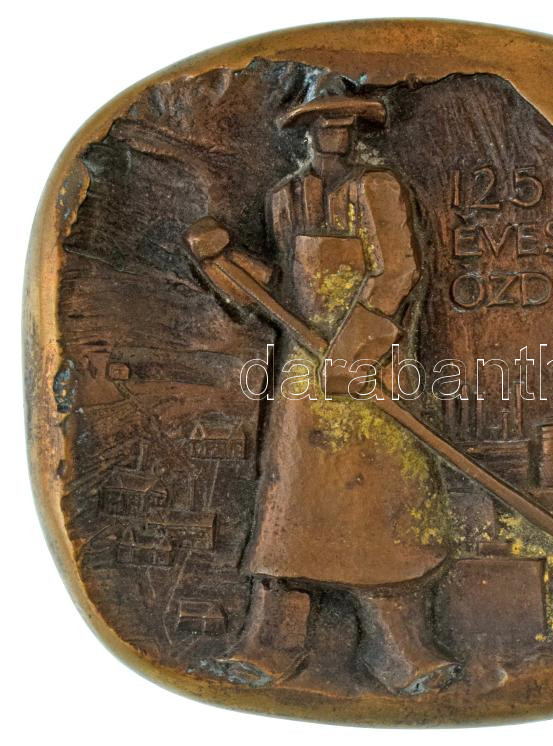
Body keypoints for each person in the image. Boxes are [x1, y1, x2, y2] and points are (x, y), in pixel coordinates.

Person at [186, 94, 459, 695]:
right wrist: (223, 265)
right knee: (292, 505)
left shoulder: (378, 188)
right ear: (305, 129)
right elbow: (277, 291)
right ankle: (269, 646)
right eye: (323, 121)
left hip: (370, 365)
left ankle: (402, 651)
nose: (335, 131)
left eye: (346, 122)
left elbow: (398, 271)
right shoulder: (284, 198)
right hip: (303, 379)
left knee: (381, 502)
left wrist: (354, 347)